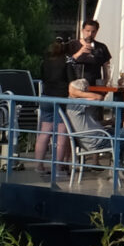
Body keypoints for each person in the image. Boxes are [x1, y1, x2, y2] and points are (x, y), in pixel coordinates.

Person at [35, 38, 72, 176]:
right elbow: (72, 80)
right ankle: (57, 168)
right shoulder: (66, 61)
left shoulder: (45, 61)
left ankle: (39, 166)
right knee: (61, 135)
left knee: (44, 133)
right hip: (61, 98)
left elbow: (43, 77)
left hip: (46, 97)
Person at [68, 19, 112, 96]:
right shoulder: (73, 45)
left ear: (97, 32)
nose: (90, 34)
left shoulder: (101, 47)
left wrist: (105, 85)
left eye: (93, 32)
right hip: (76, 89)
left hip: (95, 89)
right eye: (87, 31)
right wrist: (80, 52)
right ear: (82, 31)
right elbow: (66, 62)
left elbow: (107, 69)